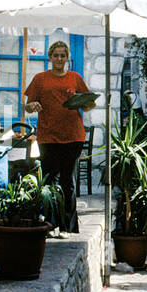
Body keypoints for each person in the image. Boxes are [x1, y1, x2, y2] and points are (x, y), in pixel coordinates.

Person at [23, 40, 95, 234]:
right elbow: (28, 105)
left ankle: (68, 226)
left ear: (67, 57)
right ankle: (50, 224)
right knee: (48, 182)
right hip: (48, 136)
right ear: (50, 57)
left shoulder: (75, 77)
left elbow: (88, 102)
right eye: (56, 55)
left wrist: (88, 104)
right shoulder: (40, 78)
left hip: (73, 136)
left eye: (63, 55)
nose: (59, 59)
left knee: (67, 182)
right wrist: (33, 106)